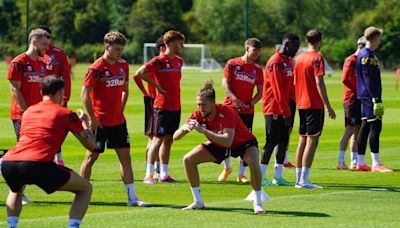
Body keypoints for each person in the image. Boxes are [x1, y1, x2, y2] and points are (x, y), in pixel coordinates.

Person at [1, 76, 95, 228]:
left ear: (41, 91)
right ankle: (73, 226)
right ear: (60, 92)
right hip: (37, 163)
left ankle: (11, 226)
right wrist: (84, 123)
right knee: (85, 188)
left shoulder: (29, 111)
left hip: (9, 163)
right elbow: (91, 145)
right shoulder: (66, 113)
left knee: (15, 189)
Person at [173, 81, 265, 214]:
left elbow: (228, 141)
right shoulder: (198, 114)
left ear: (213, 103)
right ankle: (198, 202)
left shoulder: (227, 112)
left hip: (242, 143)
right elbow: (175, 137)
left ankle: (257, 202)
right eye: (198, 104)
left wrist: (204, 131)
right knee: (188, 159)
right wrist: (185, 129)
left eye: (203, 105)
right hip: (219, 144)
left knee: (253, 161)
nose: (200, 108)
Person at [79, 31, 148, 206]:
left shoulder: (123, 65)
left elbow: (125, 89)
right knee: (91, 158)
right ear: (106, 47)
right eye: (117, 49)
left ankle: (132, 197)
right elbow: (84, 94)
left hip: (118, 122)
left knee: (126, 158)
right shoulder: (95, 68)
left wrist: (120, 109)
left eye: (121, 49)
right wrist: (93, 119)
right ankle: (81, 195)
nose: (120, 53)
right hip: (100, 123)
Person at [136, 30, 185, 184]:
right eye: (179, 43)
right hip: (162, 106)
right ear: (170, 43)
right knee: (157, 139)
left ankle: (164, 174)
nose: (182, 46)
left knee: (169, 140)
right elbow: (139, 73)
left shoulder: (179, 61)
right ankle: (148, 174)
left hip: (176, 106)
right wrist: (156, 86)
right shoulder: (159, 60)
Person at [7, 28, 51, 204]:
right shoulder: (19, 62)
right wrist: (27, 113)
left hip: (37, 116)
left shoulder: (41, 64)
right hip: (22, 116)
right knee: (24, 154)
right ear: (34, 42)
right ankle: (18, 192)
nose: (46, 48)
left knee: (30, 153)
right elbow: (15, 90)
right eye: (44, 44)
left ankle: (19, 190)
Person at [294, 29, 336, 189]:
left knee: (302, 139)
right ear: (320, 40)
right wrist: (328, 105)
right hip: (313, 104)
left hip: (301, 104)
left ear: (307, 41)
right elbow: (319, 82)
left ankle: (298, 179)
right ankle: (304, 180)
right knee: (312, 140)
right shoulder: (317, 58)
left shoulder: (299, 58)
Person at [218, 38, 264, 183]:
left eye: (258, 50)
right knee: (225, 139)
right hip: (230, 108)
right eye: (254, 49)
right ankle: (227, 167)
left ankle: (241, 174)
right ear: (247, 48)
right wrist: (235, 100)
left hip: (247, 111)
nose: (256, 53)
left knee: (245, 142)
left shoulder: (257, 70)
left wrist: (250, 104)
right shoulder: (232, 63)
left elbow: (260, 92)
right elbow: (225, 84)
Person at [261, 33, 300, 186]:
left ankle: (278, 177)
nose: (296, 50)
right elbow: (277, 90)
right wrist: (285, 112)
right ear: (286, 45)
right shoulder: (275, 62)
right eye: (294, 47)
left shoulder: (289, 61)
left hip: (286, 108)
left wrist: (294, 105)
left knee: (284, 141)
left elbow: (290, 88)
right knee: (271, 141)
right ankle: (261, 176)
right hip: (274, 108)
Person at [355, 26, 393, 172]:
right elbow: (368, 78)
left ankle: (360, 162)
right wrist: (376, 98)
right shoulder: (368, 55)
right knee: (375, 127)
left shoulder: (364, 53)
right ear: (375, 38)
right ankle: (376, 163)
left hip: (364, 96)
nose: (380, 41)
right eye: (379, 38)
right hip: (370, 97)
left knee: (364, 128)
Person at [38, 25, 72, 166]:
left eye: (46, 36)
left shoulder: (59, 54)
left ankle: (58, 158)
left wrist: (65, 98)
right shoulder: (32, 55)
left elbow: (66, 77)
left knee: (54, 129)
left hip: (54, 99)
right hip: (37, 100)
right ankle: (41, 159)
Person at [133, 37, 166, 179]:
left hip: (161, 102)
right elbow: (136, 76)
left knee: (158, 138)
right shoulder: (156, 62)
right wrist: (146, 93)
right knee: (153, 138)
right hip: (154, 102)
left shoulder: (167, 62)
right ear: (162, 47)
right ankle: (151, 171)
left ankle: (158, 170)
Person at [337, 36, 366, 170]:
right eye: (362, 45)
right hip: (351, 98)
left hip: (359, 98)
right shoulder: (351, 60)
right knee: (350, 129)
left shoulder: (363, 61)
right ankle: (341, 161)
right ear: (359, 45)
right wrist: (358, 90)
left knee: (357, 130)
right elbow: (344, 79)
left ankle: (354, 161)